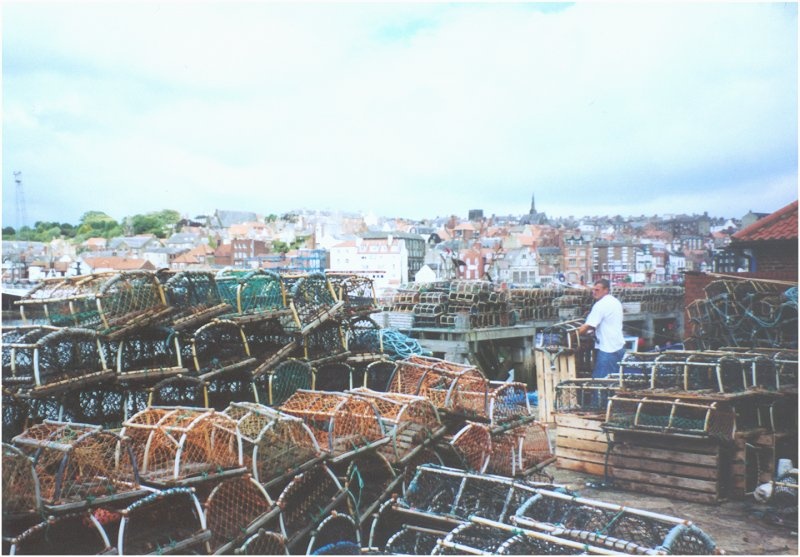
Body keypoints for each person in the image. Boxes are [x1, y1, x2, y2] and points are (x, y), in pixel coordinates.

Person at [577, 279, 625, 378]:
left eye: (597, 290)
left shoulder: (600, 305)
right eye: (593, 290)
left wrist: (573, 335)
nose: (594, 292)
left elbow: (587, 326)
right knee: (615, 380)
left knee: (600, 382)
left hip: (607, 349)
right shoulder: (615, 302)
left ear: (606, 290)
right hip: (619, 347)